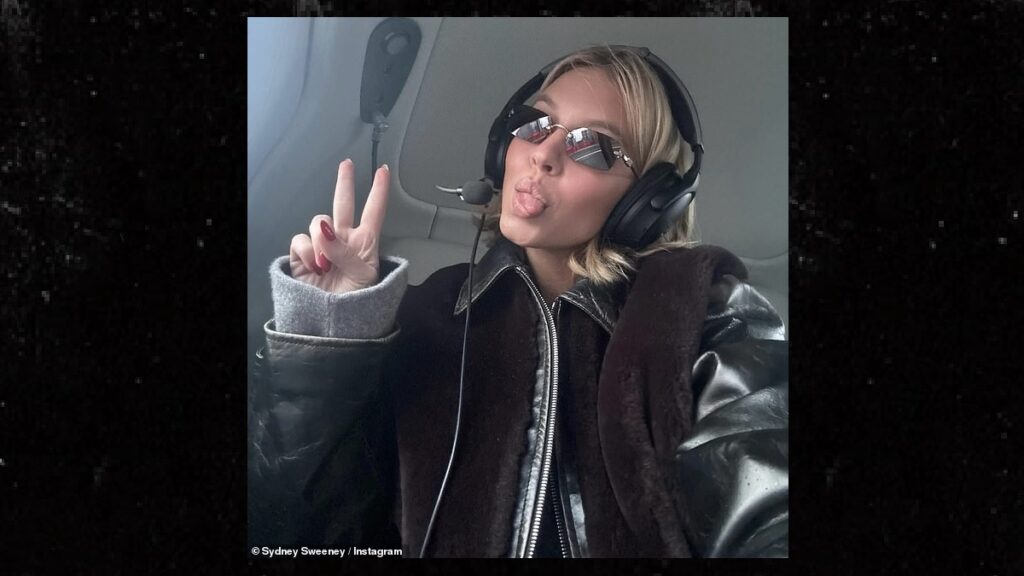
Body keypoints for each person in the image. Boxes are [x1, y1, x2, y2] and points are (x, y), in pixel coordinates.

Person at [248, 45, 788, 558]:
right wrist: (332, 336)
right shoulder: (428, 314)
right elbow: (308, 533)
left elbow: (766, 495)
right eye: (536, 123)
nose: (543, 154)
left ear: (649, 200)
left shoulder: (704, 310)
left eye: (593, 146)